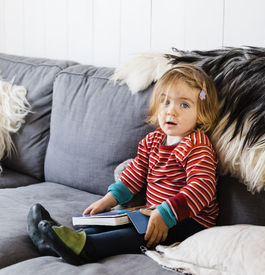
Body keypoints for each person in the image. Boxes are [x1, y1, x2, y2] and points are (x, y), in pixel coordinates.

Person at [27, 64, 219, 266]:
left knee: (134, 234)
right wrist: (108, 200)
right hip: (152, 212)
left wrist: (166, 213)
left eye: (184, 105)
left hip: (188, 221)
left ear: (202, 113)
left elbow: (202, 188)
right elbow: (134, 174)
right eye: (166, 102)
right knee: (112, 222)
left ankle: (86, 248)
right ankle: (57, 240)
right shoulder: (152, 141)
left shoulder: (197, 145)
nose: (171, 111)